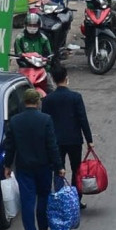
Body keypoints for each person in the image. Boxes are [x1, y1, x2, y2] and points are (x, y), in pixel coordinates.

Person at [4, 88, 62, 230]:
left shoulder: (15, 121)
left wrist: (7, 165)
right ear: (37, 102)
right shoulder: (46, 119)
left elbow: (10, 146)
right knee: (43, 196)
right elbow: (52, 146)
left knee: (27, 201)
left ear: (24, 102)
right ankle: (44, 228)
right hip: (44, 167)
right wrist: (59, 166)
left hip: (24, 168)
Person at [42, 64, 94, 198]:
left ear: (53, 79)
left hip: (56, 141)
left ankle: (60, 199)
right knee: (76, 169)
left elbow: (45, 123)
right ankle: (75, 199)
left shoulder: (48, 100)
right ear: (66, 78)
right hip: (74, 139)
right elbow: (83, 119)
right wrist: (89, 140)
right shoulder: (76, 97)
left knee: (58, 170)